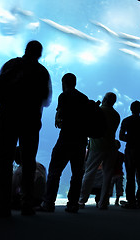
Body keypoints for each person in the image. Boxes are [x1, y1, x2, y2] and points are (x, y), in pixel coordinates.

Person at [0, 40, 52, 217]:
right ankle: (27, 204)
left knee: (5, 161)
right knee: (28, 163)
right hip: (31, 123)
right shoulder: (42, 72)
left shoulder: (11, 65)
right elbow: (46, 99)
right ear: (40, 54)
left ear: (26, 50)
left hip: (8, 119)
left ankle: (3, 204)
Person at [40, 73, 88, 213]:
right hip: (80, 141)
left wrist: (60, 119)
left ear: (64, 83)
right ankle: (73, 204)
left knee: (55, 170)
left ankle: (49, 203)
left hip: (66, 138)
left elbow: (60, 115)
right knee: (77, 173)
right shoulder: (83, 98)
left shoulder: (64, 96)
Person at [79, 92, 120, 210]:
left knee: (89, 172)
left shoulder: (98, 110)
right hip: (111, 147)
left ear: (105, 99)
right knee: (107, 175)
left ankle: (82, 200)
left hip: (97, 146)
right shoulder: (116, 115)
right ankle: (103, 202)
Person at [119, 101, 140, 209]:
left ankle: (131, 201)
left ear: (131, 108)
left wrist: (131, 138)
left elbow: (121, 137)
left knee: (130, 176)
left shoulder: (126, 120)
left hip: (130, 150)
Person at [110, 140, 125, 206]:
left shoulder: (110, 155)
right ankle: (117, 200)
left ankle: (107, 200)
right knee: (119, 187)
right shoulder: (121, 155)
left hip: (112, 174)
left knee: (109, 187)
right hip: (119, 173)